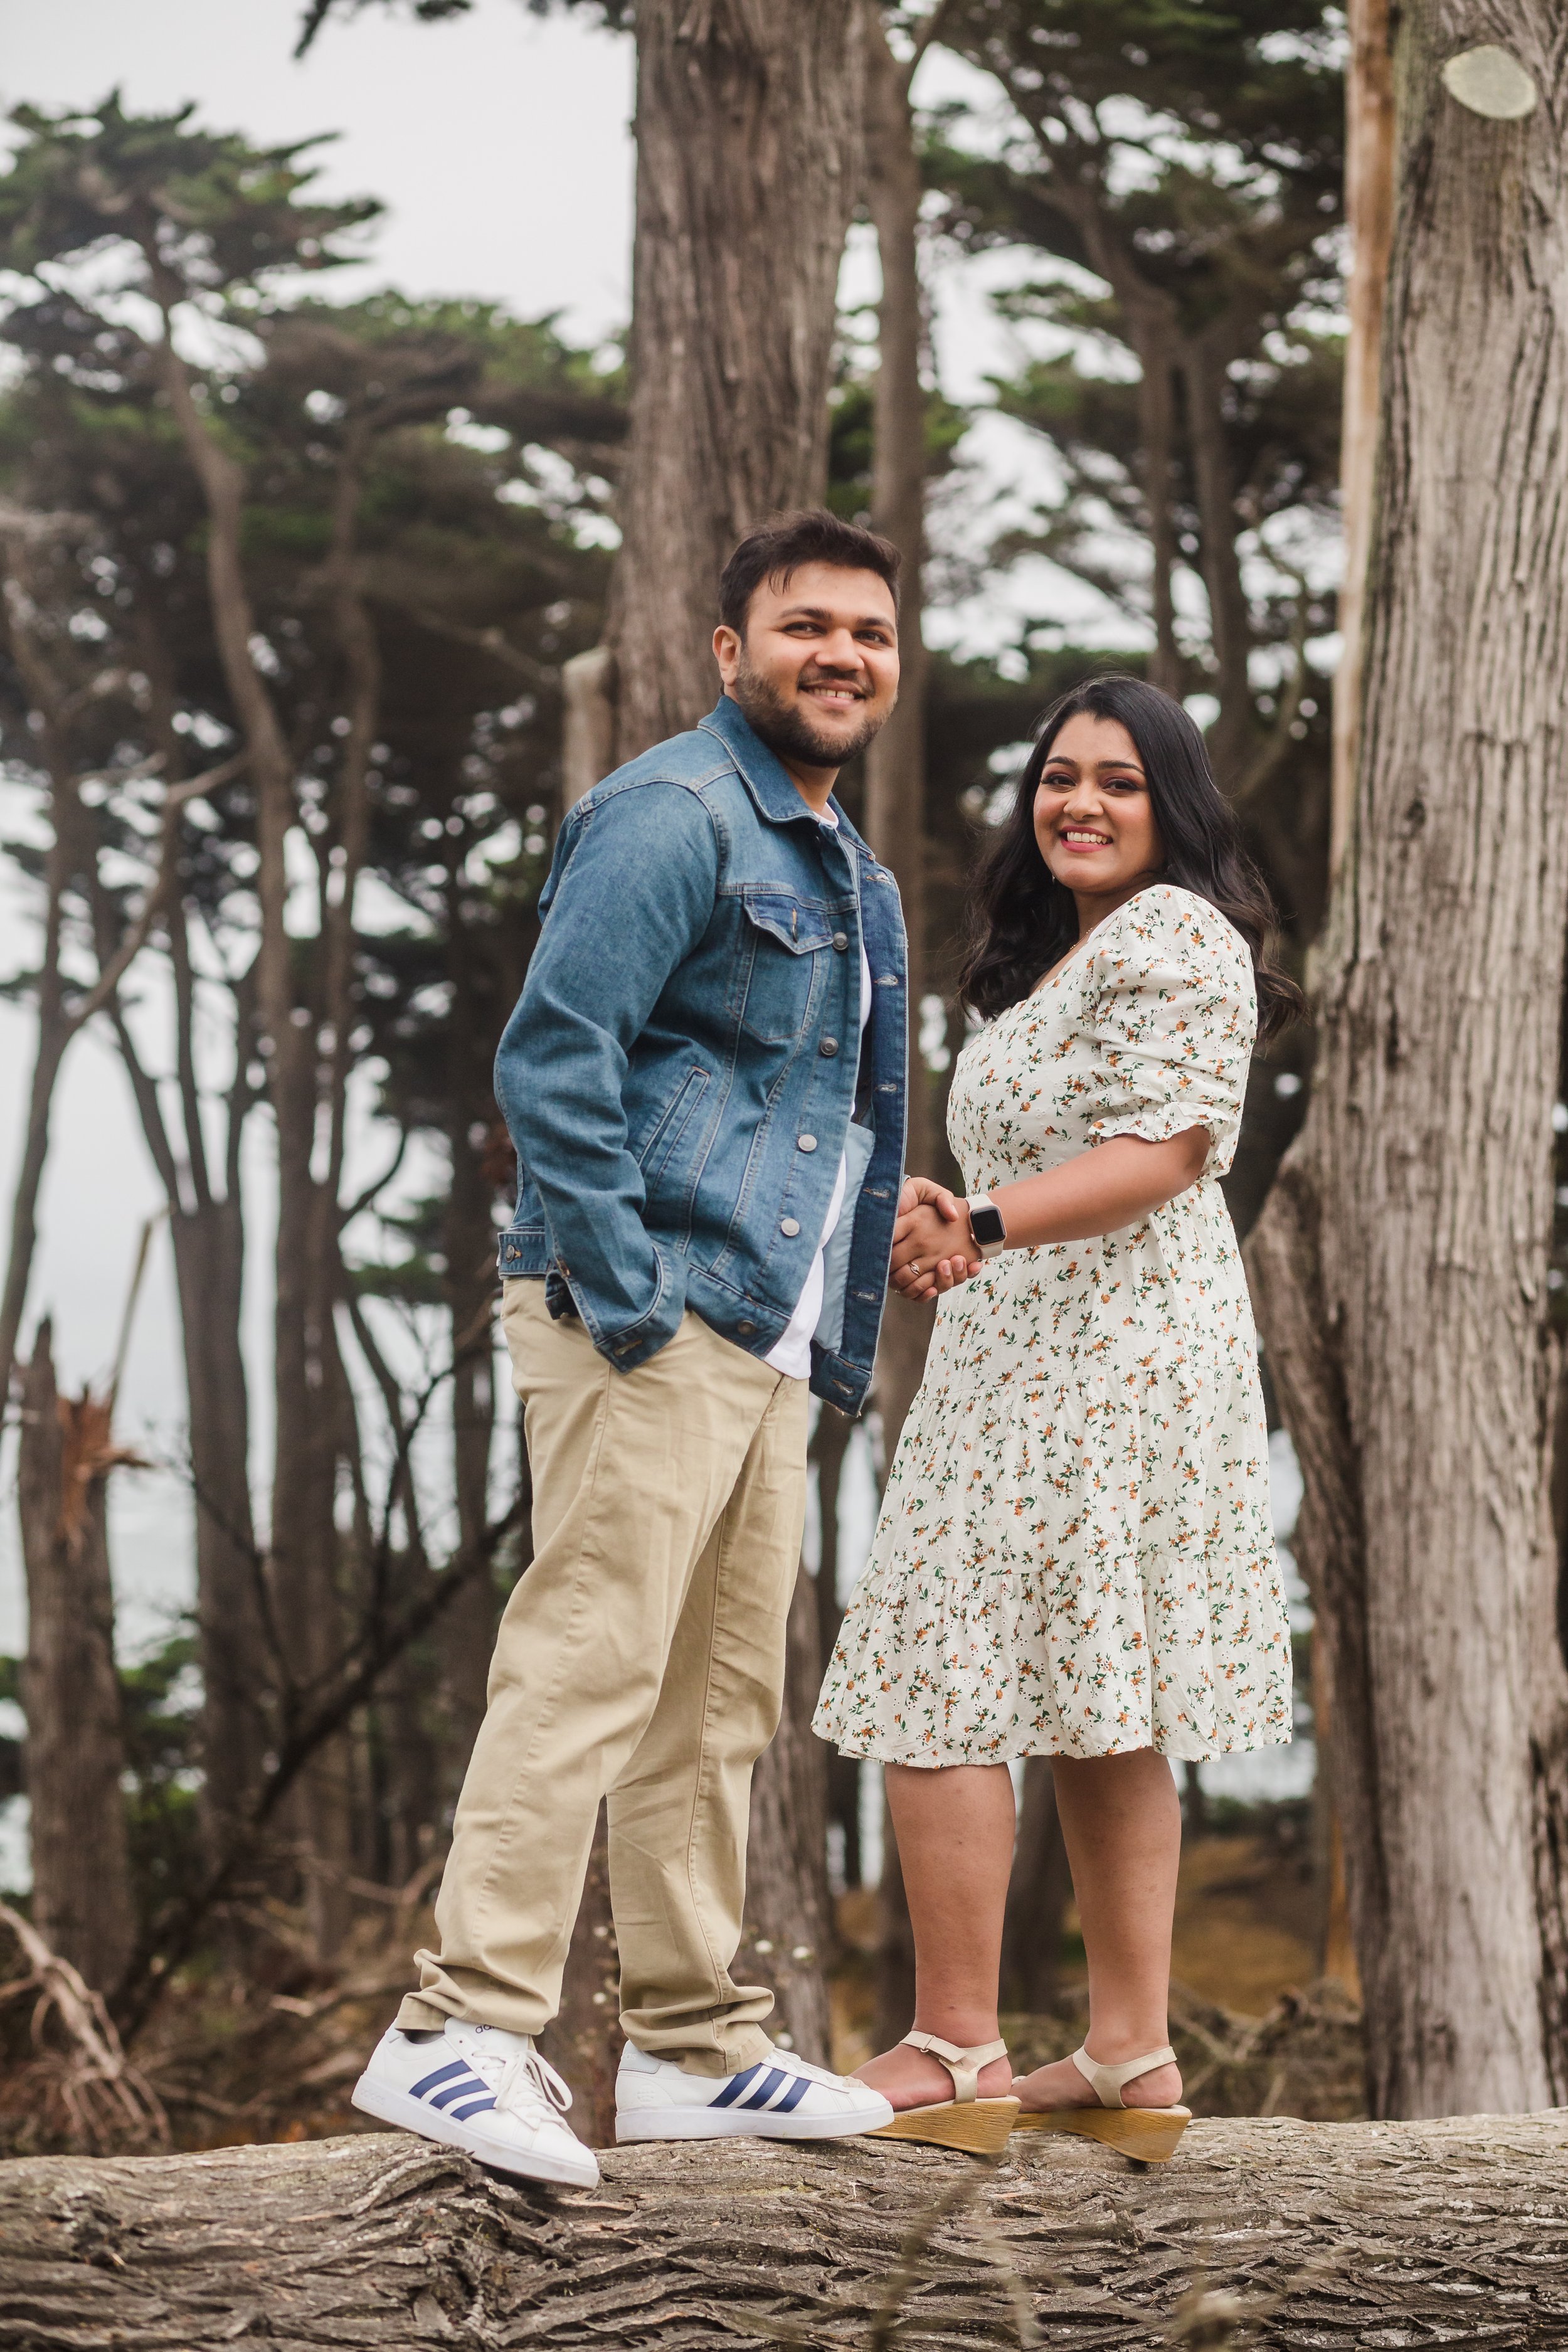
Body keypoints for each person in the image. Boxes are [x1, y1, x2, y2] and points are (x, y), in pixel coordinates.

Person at [354, 510, 916, 2188]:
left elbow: (809, 1109)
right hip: (650, 1306)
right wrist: (628, 1289)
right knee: (592, 1652)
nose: (841, 653)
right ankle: (458, 2027)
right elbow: (556, 1056)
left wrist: (824, 1312)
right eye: (804, 624)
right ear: (727, 651)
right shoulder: (671, 813)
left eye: (868, 632)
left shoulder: (848, 868)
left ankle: (687, 2042)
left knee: (719, 1697)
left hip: (760, 1323)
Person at [815, 675, 1300, 2162]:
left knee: (938, 1658)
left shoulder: (1171, 932)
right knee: (1096, 1697)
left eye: (1119, 782)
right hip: (1033, 1336)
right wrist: (952, 1212)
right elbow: (1039, 1164)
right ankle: (1126, 2054)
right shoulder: (1057, 962)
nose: (1076, 802)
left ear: (1174, 808)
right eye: (1055, 777)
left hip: (1105, 1349)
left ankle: (954, 2042)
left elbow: (1160, 1154)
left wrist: (984, 1212)